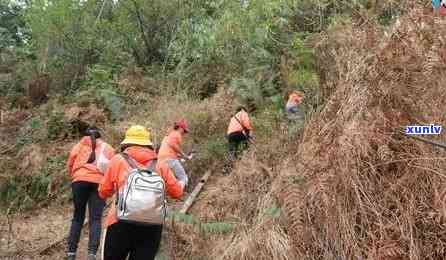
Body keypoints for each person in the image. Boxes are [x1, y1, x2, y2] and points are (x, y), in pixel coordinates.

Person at [99, 125, 184, 260]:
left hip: (119, 222)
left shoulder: (117, 160)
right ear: (148, 145)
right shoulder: (160, 164)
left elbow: (103, 191)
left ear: (126, 143)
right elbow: (178, 192)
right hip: (152, 226)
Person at [66, 127, 115, 260]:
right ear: (100, 136)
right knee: (95, 219)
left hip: (79, 181)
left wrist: (75, 177)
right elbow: (113, 169)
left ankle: (71, 252)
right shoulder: (108, 148)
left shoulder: (79, 146)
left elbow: (70, 164)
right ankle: (92, 253)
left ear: (85, 136)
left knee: (77, 217)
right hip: (99, 183)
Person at [157, 119, 191, 188]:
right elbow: (172, 144)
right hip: (170, 159)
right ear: (180, 128)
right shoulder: (177, 134)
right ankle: (179, 193)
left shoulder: (169, 135)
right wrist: (183, 154)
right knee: (183, 178)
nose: (184, 133)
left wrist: (181, 156)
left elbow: (168, 149)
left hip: (160, 161)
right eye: (184, 131)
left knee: (164, 181)